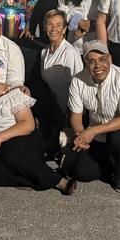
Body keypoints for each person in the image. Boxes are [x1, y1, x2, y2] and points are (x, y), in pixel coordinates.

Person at [0, 53, 72, 192]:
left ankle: (59, 181)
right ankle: (34, 180)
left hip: (21, 138)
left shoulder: (11, 92)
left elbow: (28, 124)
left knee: (9, 151)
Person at [62, 41, 120, 193]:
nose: (98, 65)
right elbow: (76, 117)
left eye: (102, 59)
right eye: (91, 61)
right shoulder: (77, 80)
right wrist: (82, 136)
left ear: (110, 59)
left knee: (118, 138)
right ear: (85, 62)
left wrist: (92, 131)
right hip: (98, 128)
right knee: (83, 173)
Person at [37, 9, 84, 153]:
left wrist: (71, 116)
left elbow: (79, 85)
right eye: (50, 24)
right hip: (52, 106)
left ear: (64, 29)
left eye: (58, 25)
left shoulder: (70, 53)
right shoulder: (45, 52)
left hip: (68, 109)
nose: (53, 29)